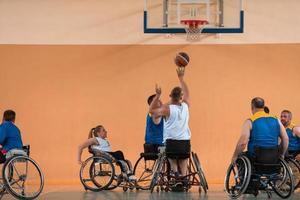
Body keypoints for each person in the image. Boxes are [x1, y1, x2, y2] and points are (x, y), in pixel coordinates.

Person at [149, 66, 191, 189]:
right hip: (185, 142)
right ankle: (183, 178)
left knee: (171, 157)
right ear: (181, 97)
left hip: (171, 142)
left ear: (170, 96)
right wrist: (181, 78)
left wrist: (157, 95)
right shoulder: (186, 106)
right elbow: (187, 93)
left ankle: (175, 174)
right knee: (183, 159)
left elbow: (151, 111)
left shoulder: (167, 109)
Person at [231, 97, 288, 163]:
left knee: (240, 158)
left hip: (256, 157)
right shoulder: (276, 120)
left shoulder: (250, 121)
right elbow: (286, 139)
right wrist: (282, 154)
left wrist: (235, 156)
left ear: (252, 107)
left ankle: (240, 173)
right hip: (274, 156)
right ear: (263, 107)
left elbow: (243, 143)